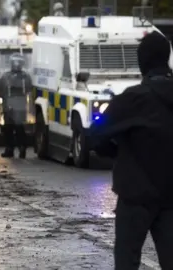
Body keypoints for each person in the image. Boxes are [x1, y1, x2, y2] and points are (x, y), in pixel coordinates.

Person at [89, 31, 173, 269]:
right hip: (171, 197)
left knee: (127, 261)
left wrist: (120, 152)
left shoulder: (131, 100)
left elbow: (96, 136)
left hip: (135, 195)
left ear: (141, 63)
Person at [0, 53, 32, 158]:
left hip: (9, 107)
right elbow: (29, 90)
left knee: (9, 129)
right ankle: (21, 148)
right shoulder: (26, 77)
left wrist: (4, 98)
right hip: (21, 107)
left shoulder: (6, 76)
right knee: (19, 129)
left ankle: (10, 149)